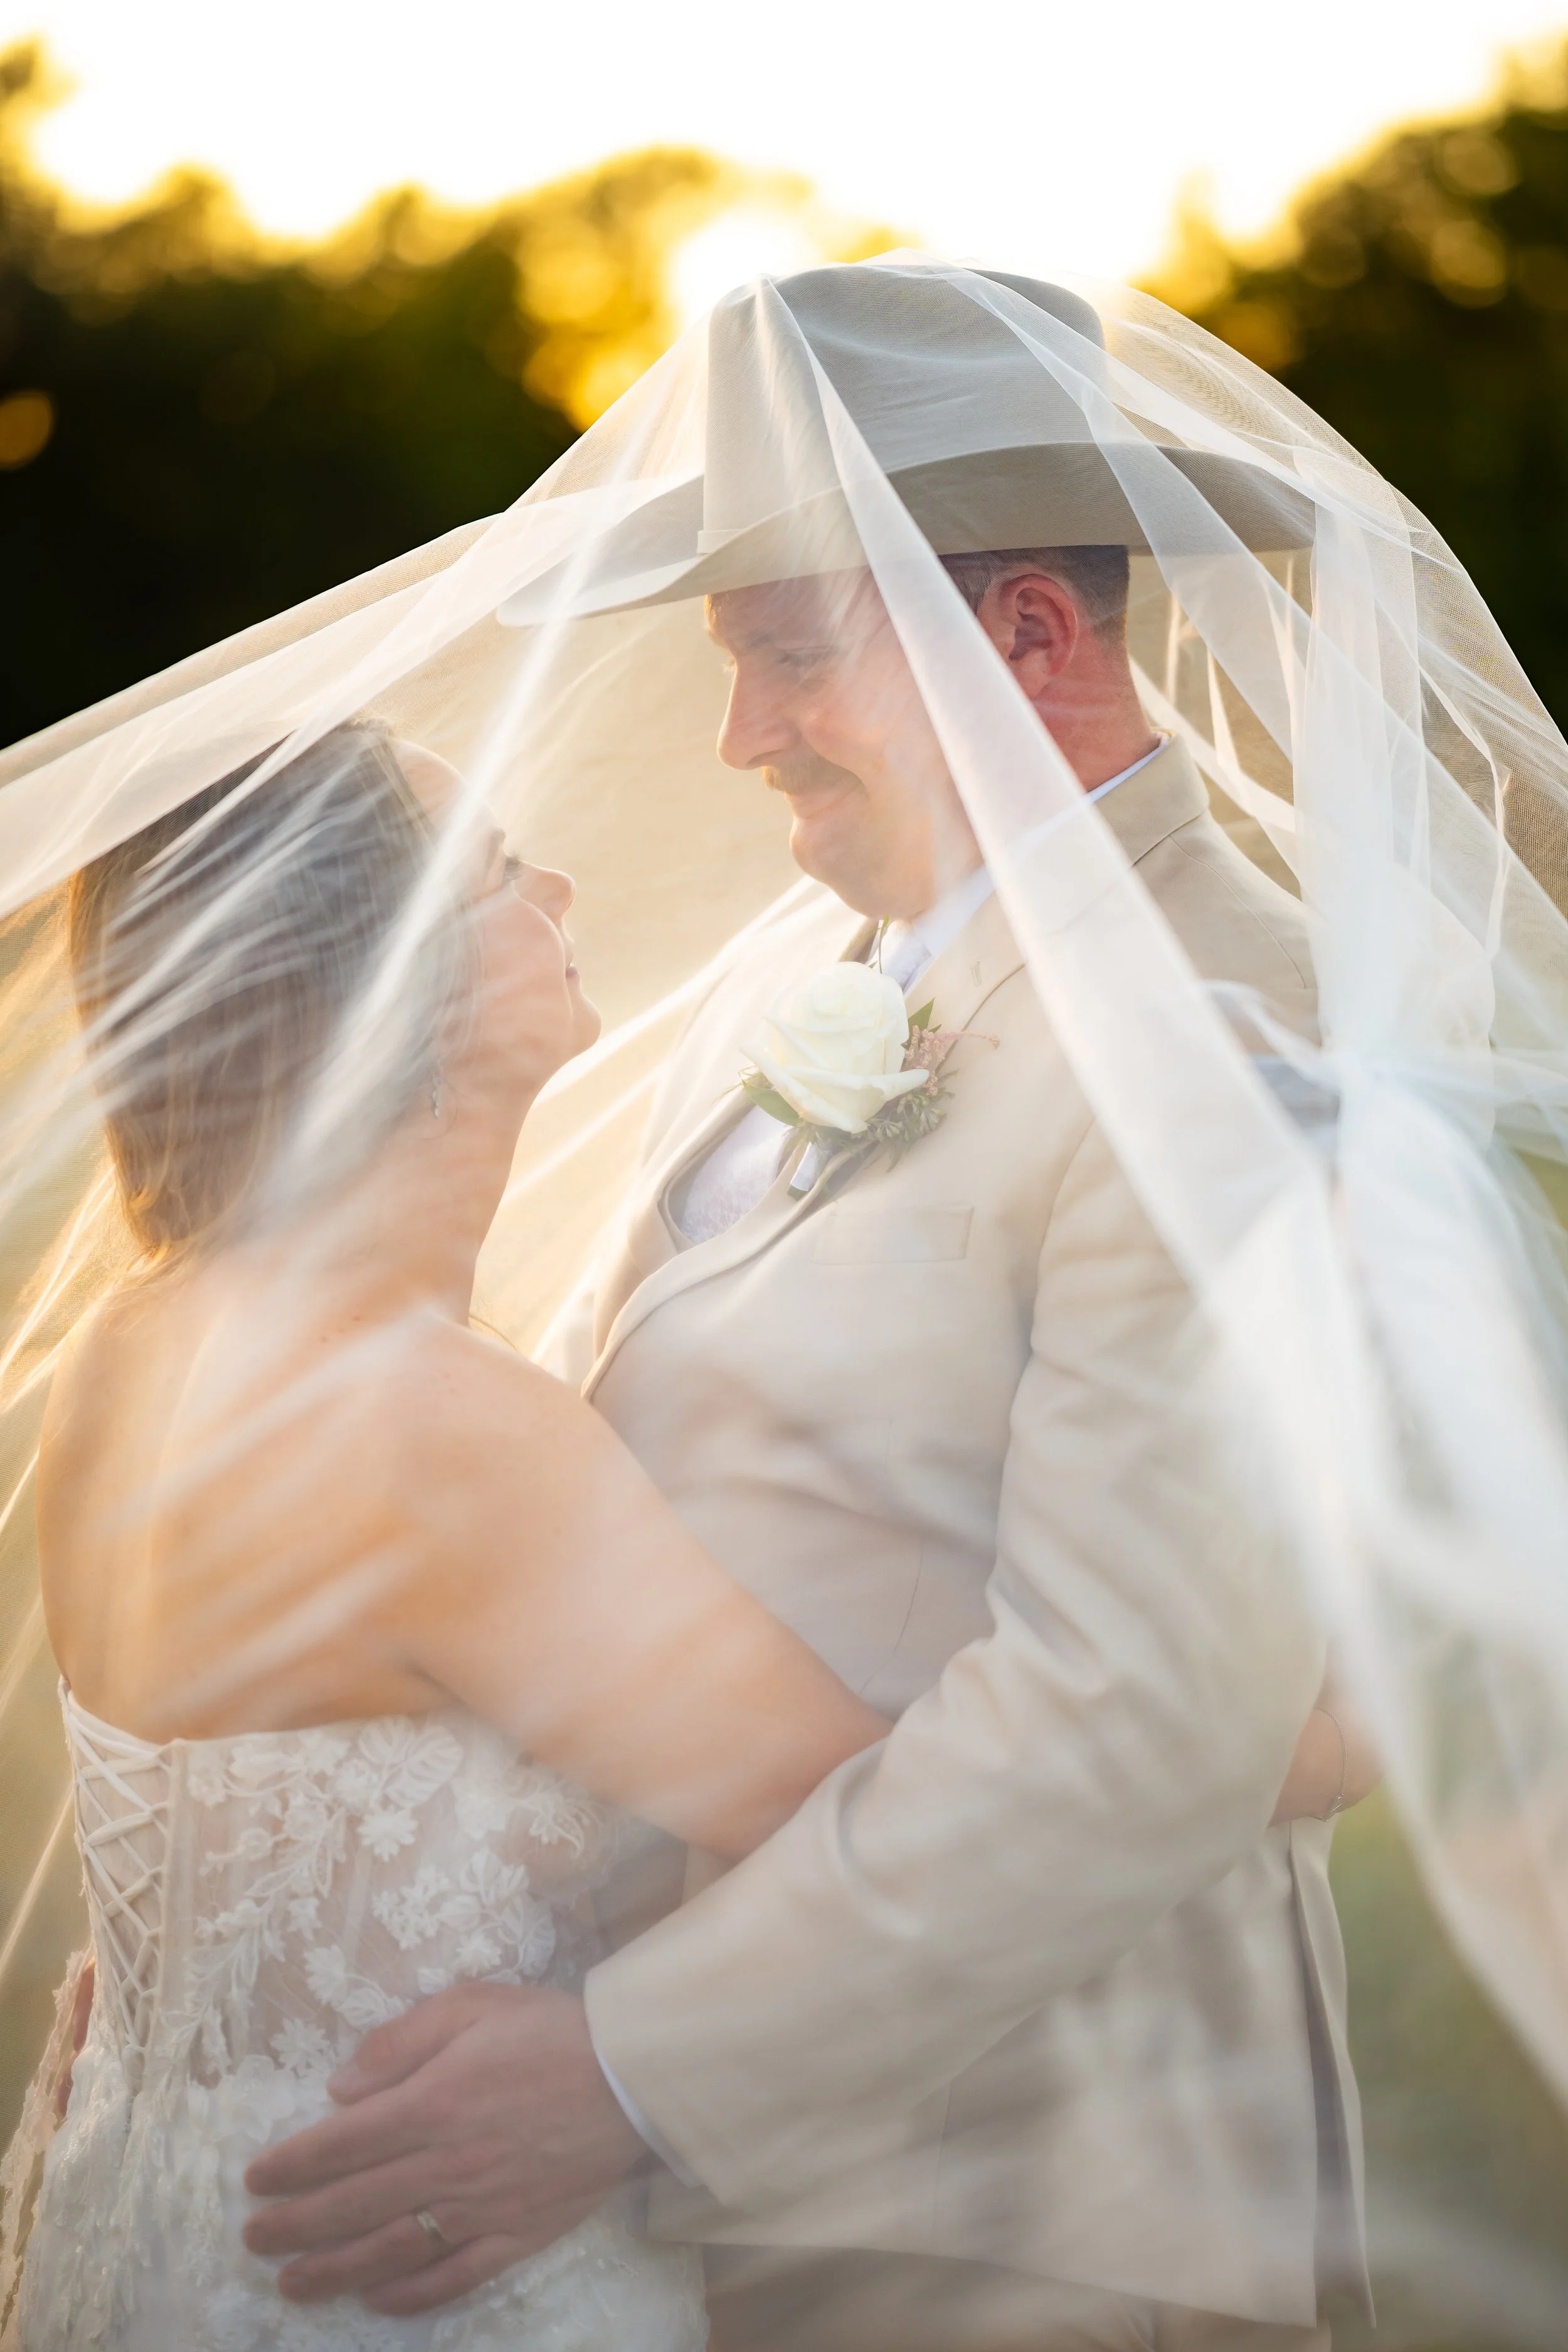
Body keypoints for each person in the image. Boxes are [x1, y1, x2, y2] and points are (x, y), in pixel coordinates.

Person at [240, 271, 1380, 2352]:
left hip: (1034, 2206)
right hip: (747, 2210)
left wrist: (622, 2072)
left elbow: (1145, 1708)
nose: (741, 732)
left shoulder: (1228, 1021)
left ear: (1028, 636)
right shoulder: (830, 981)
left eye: (784, 655)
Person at [15, 719, 894, 2351]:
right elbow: (876, 1814)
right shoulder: (432, 1422)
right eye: (494, 872)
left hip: (147, 2238)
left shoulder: (134, 1347)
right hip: (417, 2284)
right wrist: (1227, 1723)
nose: (555, 881)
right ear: (370, 986)